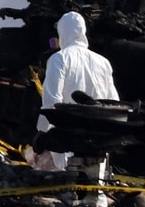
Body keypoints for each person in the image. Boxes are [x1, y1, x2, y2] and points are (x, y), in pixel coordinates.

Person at [36, 11, 119, 172]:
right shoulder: (103, 62)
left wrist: (42, 133)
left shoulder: (59, 59)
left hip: (69, 138)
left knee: (68, 185)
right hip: (97, 139)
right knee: (95, 186)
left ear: (62, 32)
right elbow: (113, 102)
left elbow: (51, 101)